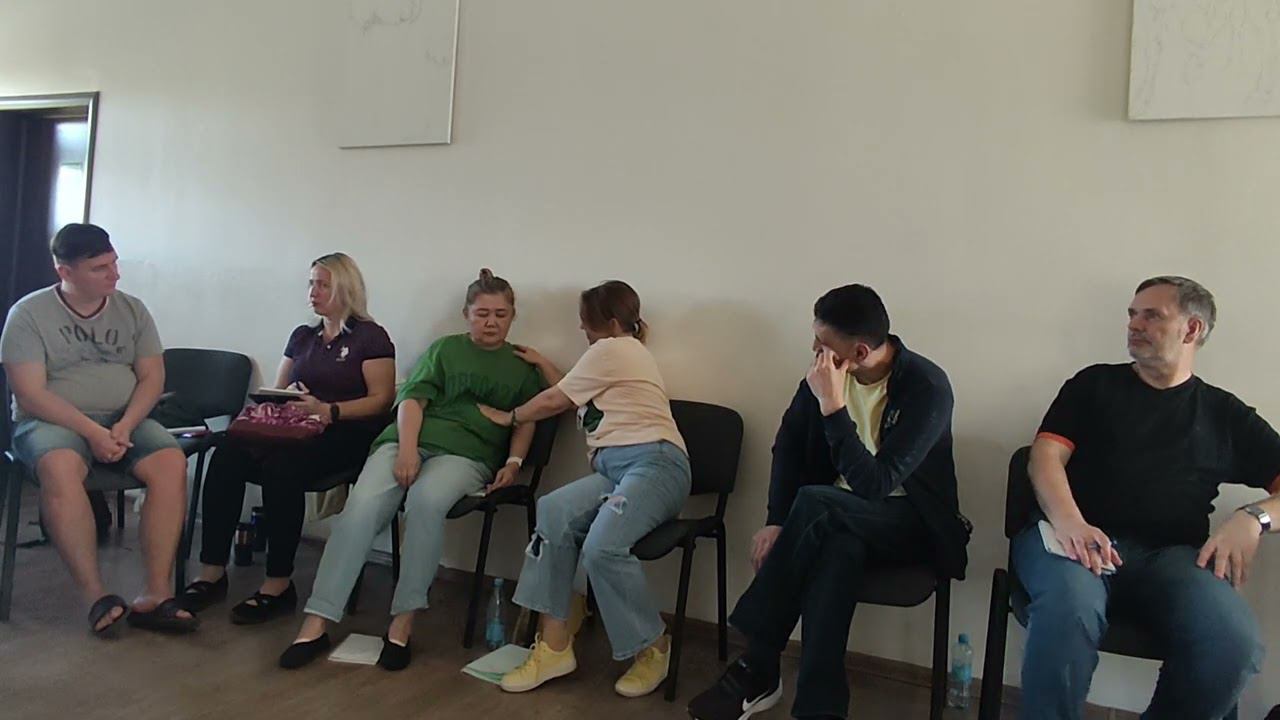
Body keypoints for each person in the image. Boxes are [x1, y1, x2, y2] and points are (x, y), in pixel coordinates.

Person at [687, 283, 969, 720]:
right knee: (837, 551)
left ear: (859, 352)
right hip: (837, 517)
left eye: (823, 344)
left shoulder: (927, 388)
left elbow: (876, 484)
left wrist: (834, 407)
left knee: (817, 503)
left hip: (911, 523)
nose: (815, 351)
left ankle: (756, 664)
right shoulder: (820, 375)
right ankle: (820, 709)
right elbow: (788, 446)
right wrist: (777, 520)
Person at [1013, 276, 1277, 720]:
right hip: (1073, 543)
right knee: (1068, 610)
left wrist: (1254, 518)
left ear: (1192, 329)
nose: (1134, 324)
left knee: (1233, 641)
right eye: (1132, 314)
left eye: (1152, 315)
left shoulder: (1225, 415)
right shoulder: (1093, 385)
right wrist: (1070, 521)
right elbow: (1045, 456)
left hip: (1171, 559)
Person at [279, 269, 544, 671]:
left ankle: (402, 624)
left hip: (468, 455)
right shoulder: (445, 350)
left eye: (500, 314)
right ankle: (317, 622)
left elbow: (528, 419)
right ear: (466, 314)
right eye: (482, 314)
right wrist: (406, 451)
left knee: (426, 502)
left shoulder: (522, 366)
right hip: (405, 442)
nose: (491, 322)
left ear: (512, 316)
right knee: (360, 509)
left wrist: (513, 463)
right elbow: (411, 401)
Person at [483, 280, 691, 700]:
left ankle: (654, 647)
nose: (581, 329)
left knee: (602, 548)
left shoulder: (613, 349)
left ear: (611, 323)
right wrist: (543, 362)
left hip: (656, 465)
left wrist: (510, 417)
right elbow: (574, 393)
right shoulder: (616, 355)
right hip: (618, 470)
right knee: (553, 509)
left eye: (586, 322)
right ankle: (554, 647)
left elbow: (555, 401)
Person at [176, 253, 395, 624]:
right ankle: (212, 571)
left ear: (346, 288)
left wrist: (329, 410)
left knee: (282, 466)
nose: (313, 292)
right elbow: (278, 389)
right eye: (311, 283)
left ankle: (278, 583)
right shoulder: (303, 336)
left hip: (344, 433)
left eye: (322, 284)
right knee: (226, 452)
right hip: (294, 429)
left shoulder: (370, 337)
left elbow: (381, 400)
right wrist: (288, 395)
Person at [1, 223, 196, 635]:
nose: (114, 274)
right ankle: (96, 596)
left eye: (114, 263)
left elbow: (152, 378)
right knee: (60, 468)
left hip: (125, 419)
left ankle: (155, 594)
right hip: (51, 421)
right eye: (100, 268)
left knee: (170, 462)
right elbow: (31, 394)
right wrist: (92, 432)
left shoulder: (133, 310)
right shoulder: (28, 315)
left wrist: (125, 424)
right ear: (65, 272)